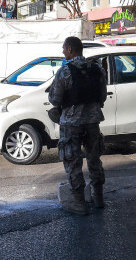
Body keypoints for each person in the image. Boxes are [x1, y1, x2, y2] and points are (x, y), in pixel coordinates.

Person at [49, 36, 107, 215]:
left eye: (64, 49)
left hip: (71, 125)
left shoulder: (64, 71)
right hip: (93, 122)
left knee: (73, 162)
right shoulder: (97, 69)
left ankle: (79, 204)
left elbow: (54, 99)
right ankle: (98, 199)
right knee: (94, 159)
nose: (62, 52)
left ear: (70, 50)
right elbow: (102, 96)